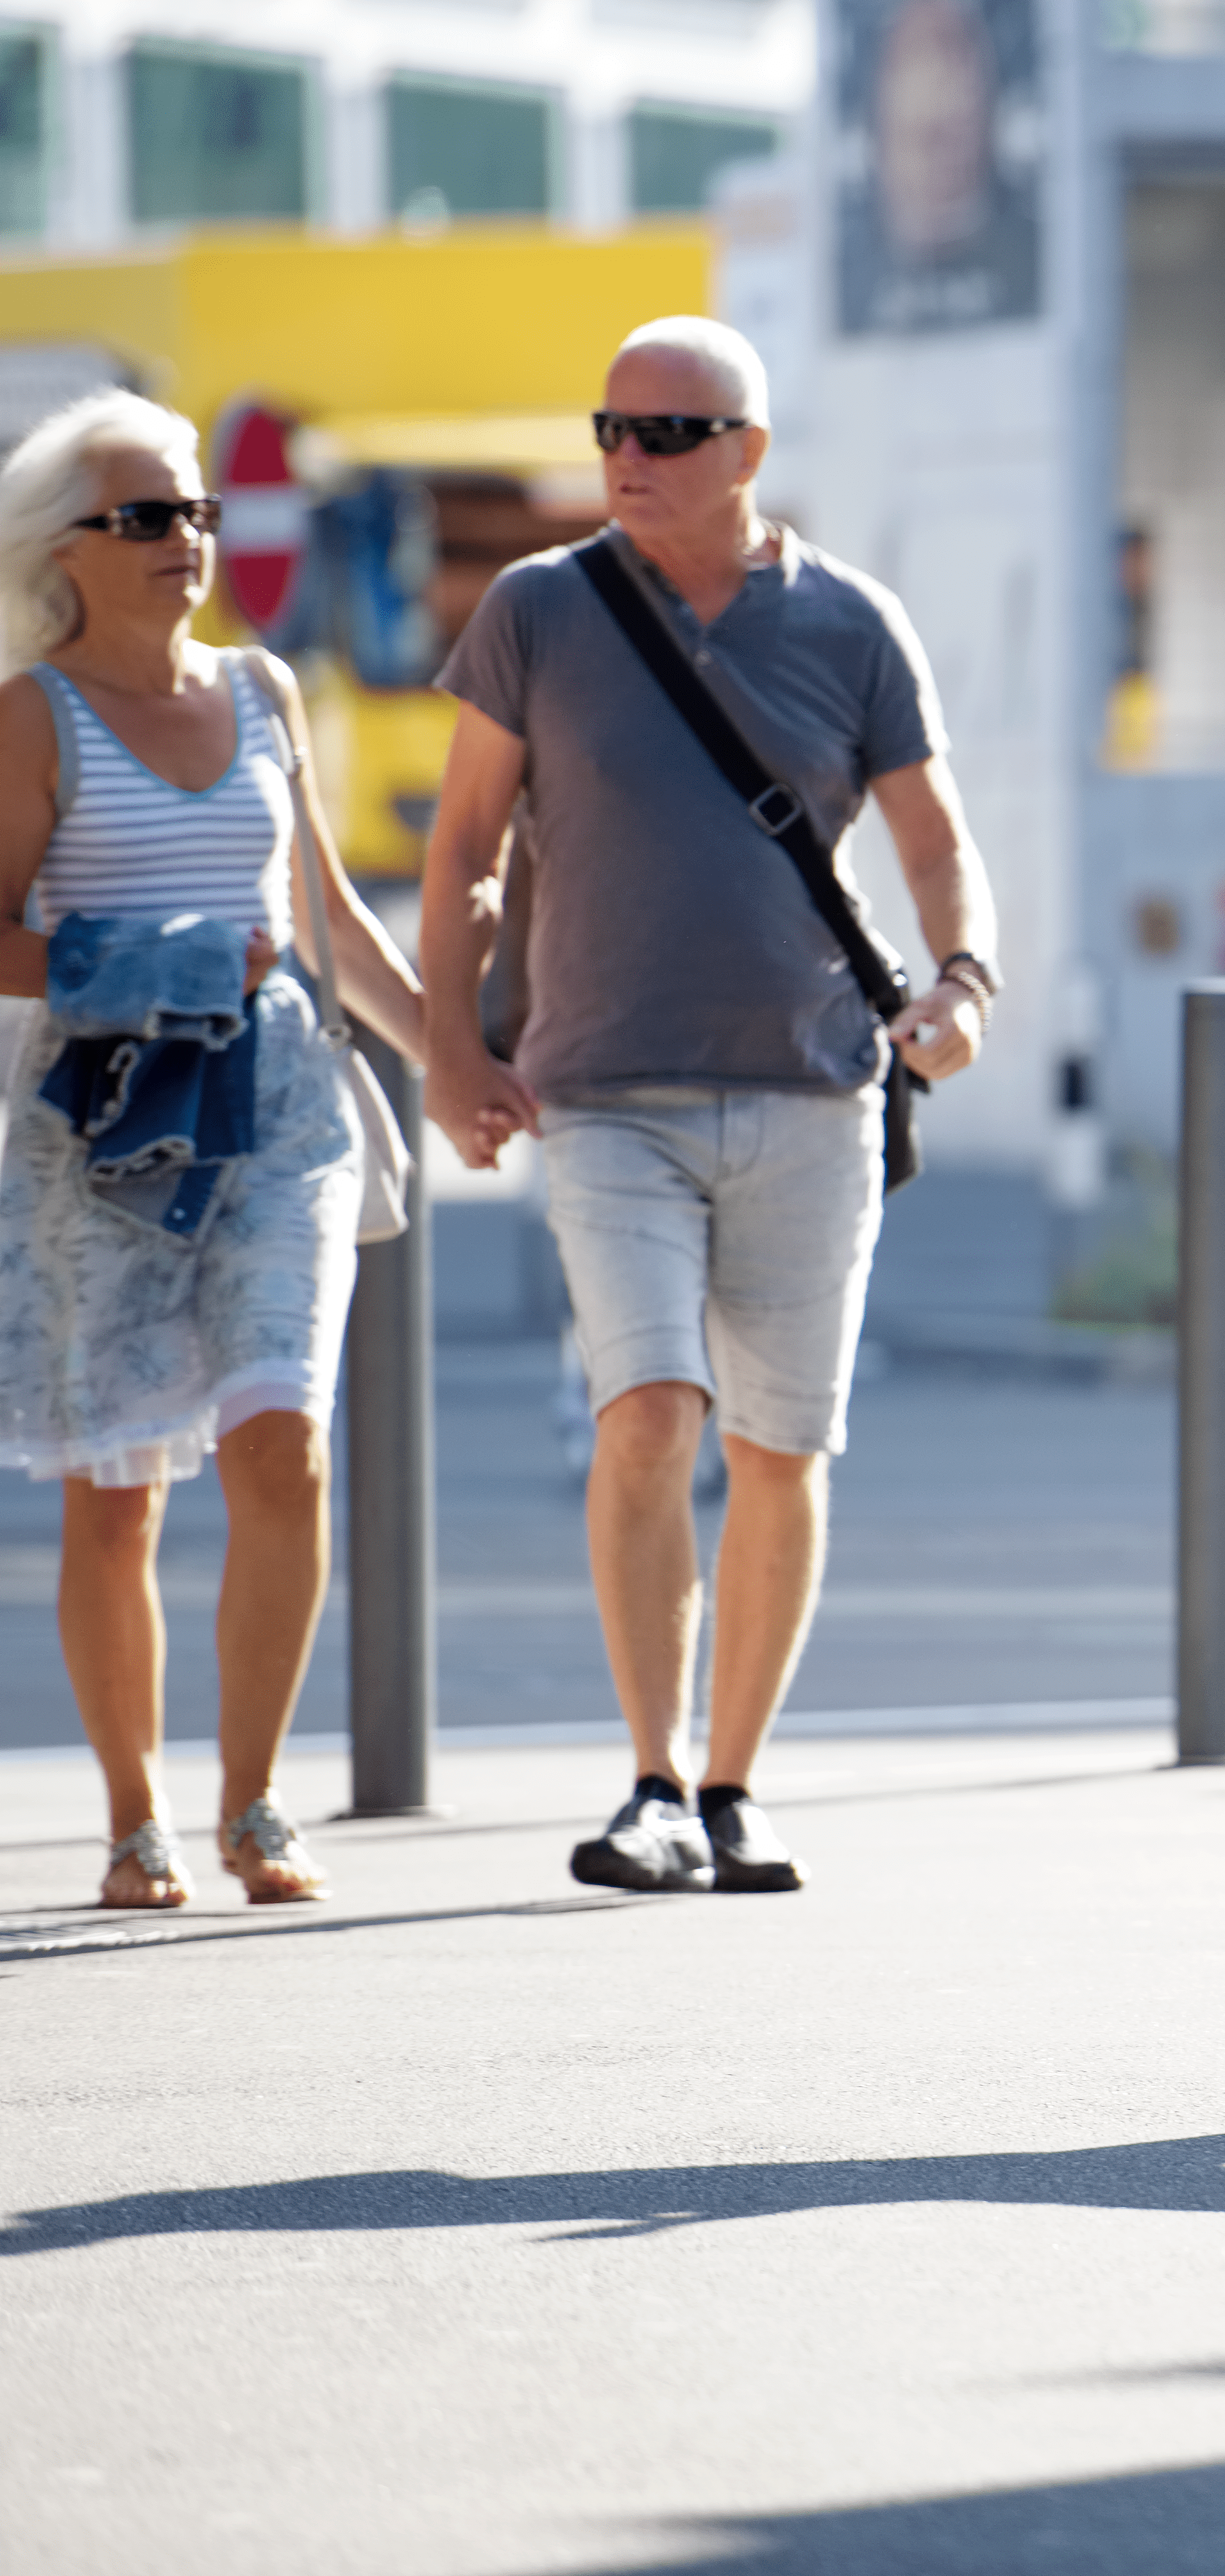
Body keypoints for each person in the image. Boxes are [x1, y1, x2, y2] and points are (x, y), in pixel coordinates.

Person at [418, 316, 1002, 1895]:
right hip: (603, 1093)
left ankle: (732, 1786)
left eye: (670, 432)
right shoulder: (539, 611)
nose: (631, 455)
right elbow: (465, 840)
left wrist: (961, 983)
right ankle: (652, 1778)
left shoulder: (854, 624)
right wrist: (447, 1049)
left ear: (747, 450)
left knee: (780, 1448)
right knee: (647, 1410)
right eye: (612, 424)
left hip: (817, 1091)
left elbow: (937, 842)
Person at [0, 390, 428, 1908]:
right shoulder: (30, 714)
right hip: (100, 1126)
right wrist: (168, 961)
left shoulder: (263, 690)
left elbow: (324, 913)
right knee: (116, 1494)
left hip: (277, 1111)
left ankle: (254, 1804)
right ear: (68, 548)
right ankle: (133, 1818)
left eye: (193, 509)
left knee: (284, 1446)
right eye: (147, 517)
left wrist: (460, 1052)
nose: (187, 538)